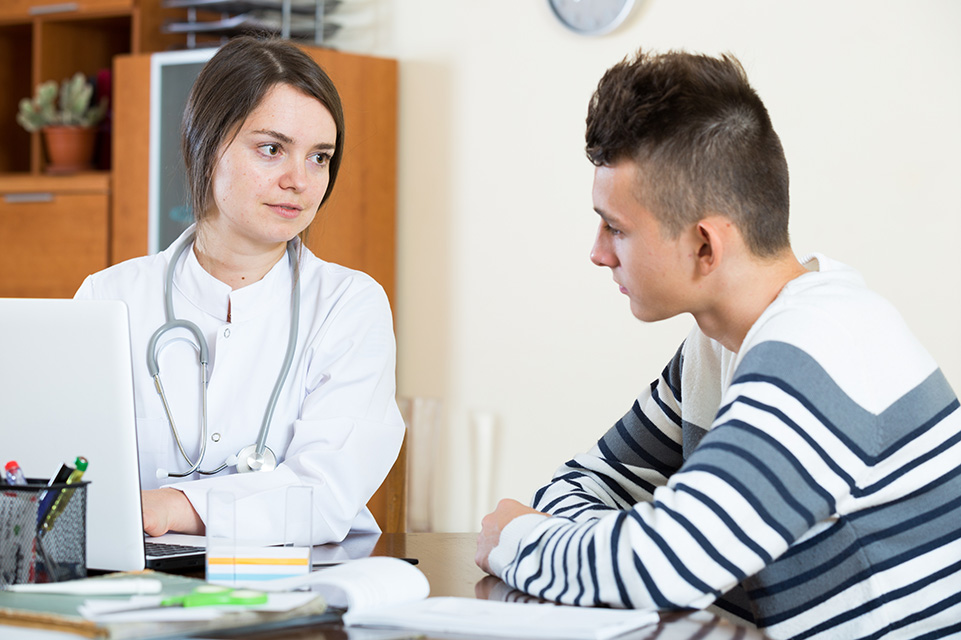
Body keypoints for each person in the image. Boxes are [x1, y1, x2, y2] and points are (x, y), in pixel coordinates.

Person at [475, 49, 961, 639]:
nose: (598, 253)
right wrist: (616, 545)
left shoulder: (823, 346)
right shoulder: (718, 347)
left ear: (706, 246)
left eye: (617, 228)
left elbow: (665, 567)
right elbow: (581, 484)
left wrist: (520, 540)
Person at [75, 36, 404, 545]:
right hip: (138, 588)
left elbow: (325, 492)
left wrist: (174, 505)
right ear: (206, 145)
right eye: (271, 149)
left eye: (320, 157)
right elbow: (68, 474)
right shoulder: (108, 299)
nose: (300, 179)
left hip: (300, 590)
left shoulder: (349, 305)